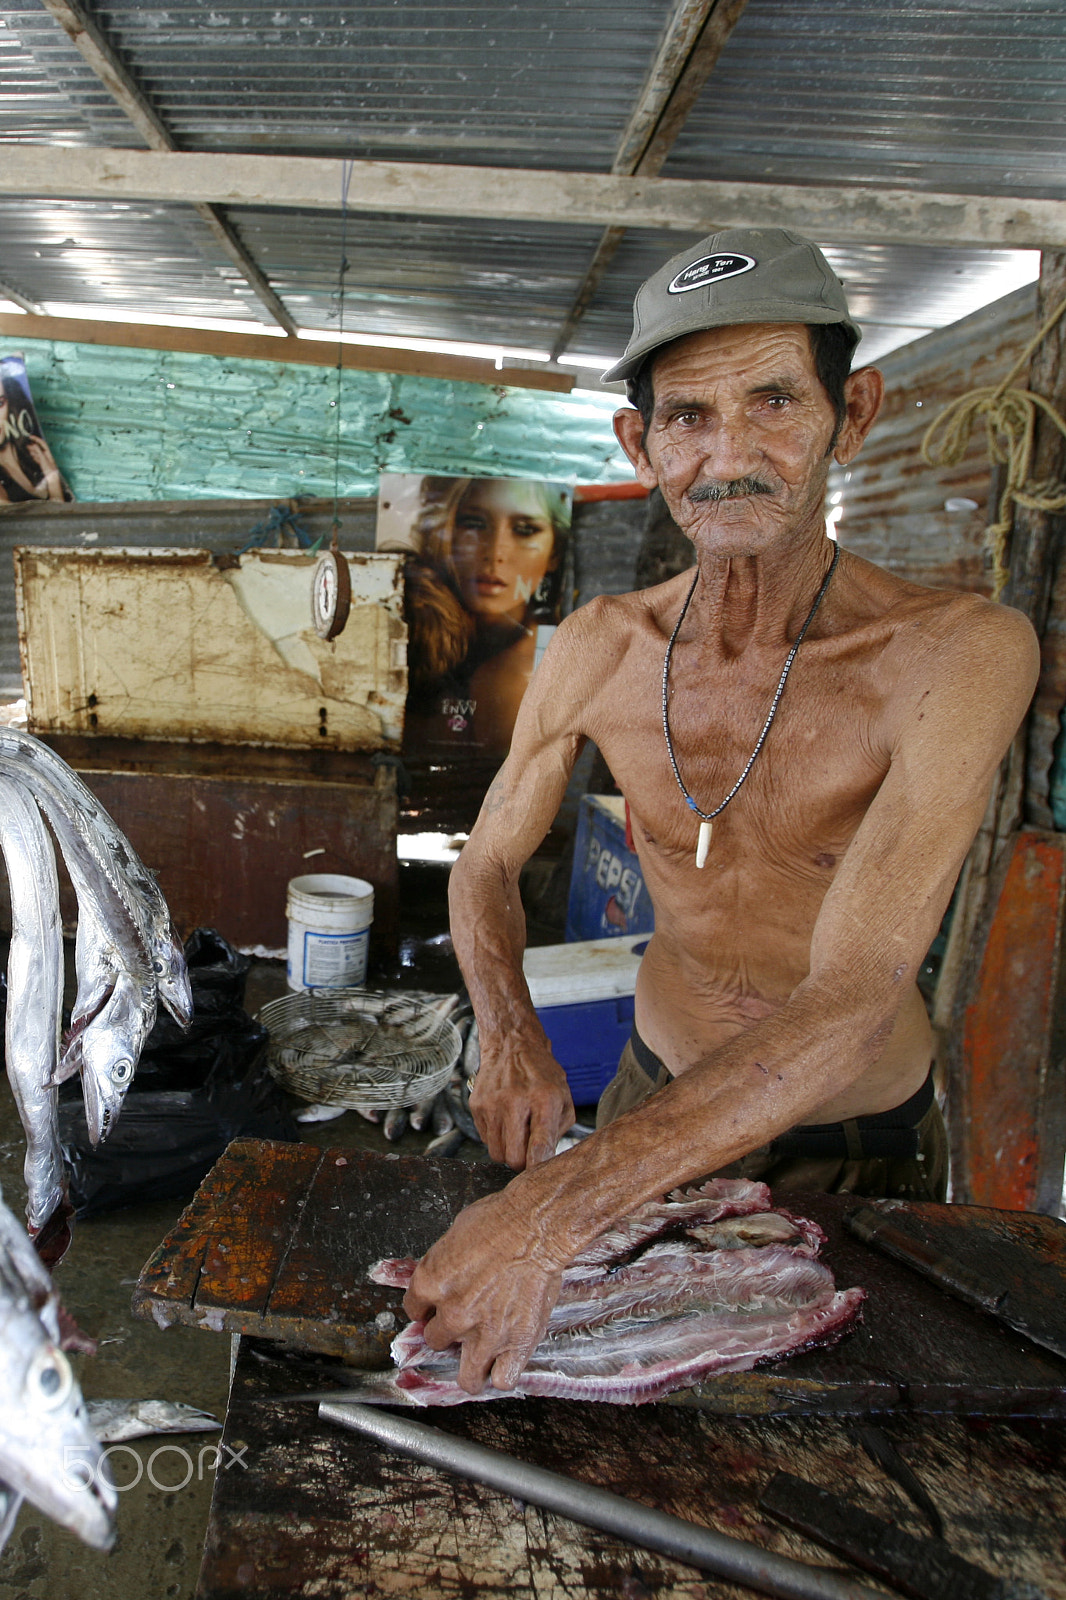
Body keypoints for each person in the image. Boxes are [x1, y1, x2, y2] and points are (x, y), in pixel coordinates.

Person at [402, 227, 1039, 1396]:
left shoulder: (954, 657)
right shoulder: (600, 644)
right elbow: (485, 860)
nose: (729, 454)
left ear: (854, 413)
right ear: (639, 444)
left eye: (774, 403)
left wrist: (547, 1209)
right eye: (689, 416)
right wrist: (507, 1029)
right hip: (657, 1076)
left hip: (856, 1134)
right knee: (612, 1416)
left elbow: (848, 1001)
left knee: (843, 1424)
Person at [402, 475, 570, 758]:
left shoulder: (523, 674)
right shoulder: (416, 620)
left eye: (525, 530)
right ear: (447, 532)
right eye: (475, 524)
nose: (494, 553)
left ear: (554, 553)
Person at [0, 362, 71, 503]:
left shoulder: (33, 453)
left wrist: (51, 475)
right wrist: (53, 482)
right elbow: (34, 524)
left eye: (0, 404)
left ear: (11, 406)